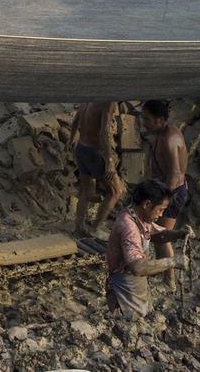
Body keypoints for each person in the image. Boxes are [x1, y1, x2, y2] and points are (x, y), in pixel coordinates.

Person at [105, 179, 190, 319]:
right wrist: (172, 262)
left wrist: (179, 233)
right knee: (132, 321)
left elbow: (157, 235)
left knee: (145, 314)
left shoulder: (138, 215)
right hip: (126, 284)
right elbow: (137, 268)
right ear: (147, 204)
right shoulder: (129, 227)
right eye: (160, 210)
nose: (161, 215)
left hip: (136, 278)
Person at [141, 99, 189, 291]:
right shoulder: (161, 133)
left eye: (147, 119)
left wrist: (162, 201)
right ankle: (164, 273)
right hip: (163, 190)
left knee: (162, 237)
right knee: (157, 235)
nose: (144, 123)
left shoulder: (170, 139)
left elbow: (175, 174)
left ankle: (169, 281)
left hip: (172, 192)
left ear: (160, 120)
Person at [70, 101, 126, 239]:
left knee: (87, 191)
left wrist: (70, 140)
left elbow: (75, 120)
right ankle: (95, 228)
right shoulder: (107, 102)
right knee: (116, 191)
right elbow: (104, 132)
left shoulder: (87, 100)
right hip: (94, 152)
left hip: (81, 148)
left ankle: (78, 229)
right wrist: (109, 160)